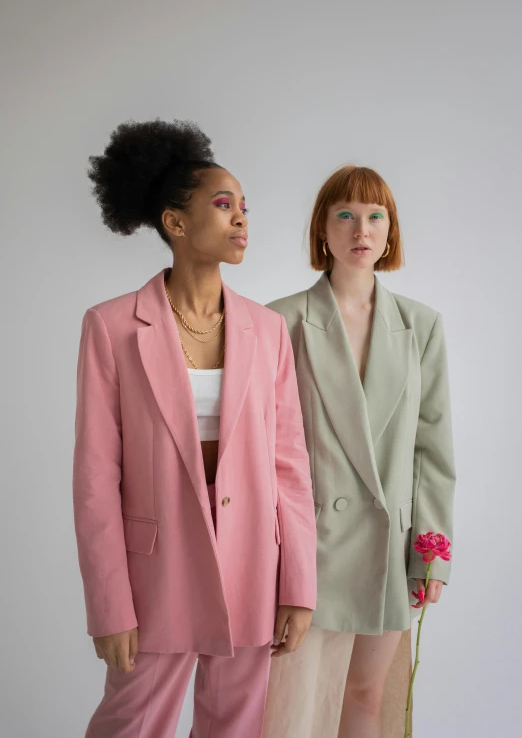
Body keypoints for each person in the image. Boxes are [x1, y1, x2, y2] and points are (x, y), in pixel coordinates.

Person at [72, 119, 317, 738]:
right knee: (132, 723)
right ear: (174, 224)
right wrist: (109, 605)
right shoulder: (111, 328)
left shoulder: (266, 331)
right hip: (156, 573)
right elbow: (97, 478)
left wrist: (300, 585)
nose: (241, 219)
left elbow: (290, 465)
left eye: (244, 207)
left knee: (236, 727)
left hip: (252, 565)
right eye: (223, 203)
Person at [262, 165, 456, 738]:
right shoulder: (282, 320)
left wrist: (433, 552)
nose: (360, 229)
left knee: (368, 694)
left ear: (390, 231)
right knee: (291, 703)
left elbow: (434, 449)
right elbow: (264, 445)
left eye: (375, 216)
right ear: (322, 229)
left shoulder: (421, 325)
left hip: (389, 546)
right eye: (344, 213)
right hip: (306, 546)